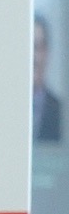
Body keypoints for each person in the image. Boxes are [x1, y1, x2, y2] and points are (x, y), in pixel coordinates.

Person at [37, 14, 61, 145]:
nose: (34, 58)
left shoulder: (61, 110)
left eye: (38, 47)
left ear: (47, 52)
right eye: (29, 48)